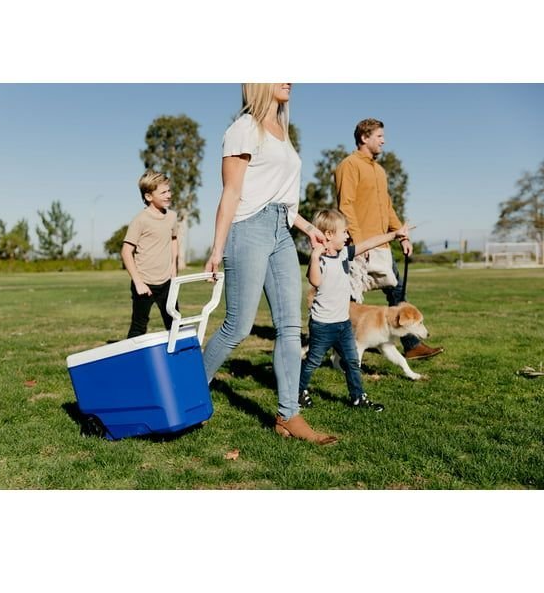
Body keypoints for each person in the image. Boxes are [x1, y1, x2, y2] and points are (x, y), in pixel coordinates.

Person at [203, 83, 337, 445]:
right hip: (248, 229)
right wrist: (217, 249)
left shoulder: (283, 132)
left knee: (290, 326)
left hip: (281, 231)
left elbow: (282, 198)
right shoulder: (243, 129)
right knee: (238, 326)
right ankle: (191, 389)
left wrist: (309, 229)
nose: (289, 80)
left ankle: (288, 415)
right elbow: (231, 193)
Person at [334, 118, 444, 360]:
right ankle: (340, 348)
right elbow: (346, 206)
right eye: (379, 136)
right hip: (358, 247)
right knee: (347, 302)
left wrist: (401, 234)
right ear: (364, 138)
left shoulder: (379, 171)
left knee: (397, 294)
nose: (384, 141)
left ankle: (412, 345)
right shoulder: (349, 165)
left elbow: (387, 207)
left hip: (382, 245)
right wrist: (359, 243)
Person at [299, 209, 410, 411]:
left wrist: (395, 235)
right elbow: (315, 281)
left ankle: (358, 398)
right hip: (323, 325)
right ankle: (299, 391)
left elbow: (369, 243)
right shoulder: (320, 260)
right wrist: (314, 256)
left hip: (343, 324)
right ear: (329, 234)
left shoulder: (344, 254)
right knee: (313, 360)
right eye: (344, 232)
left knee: (352, 361)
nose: (347, 235)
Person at [121, 169, 178, 338]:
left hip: (167, 282)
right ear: (148, 196)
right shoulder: (140, 220)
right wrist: (138, 282)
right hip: (144, 283)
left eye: (169, 191)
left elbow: (174, 239)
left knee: (175, 323)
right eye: (163, 192)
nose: (169, 195)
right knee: (138, 328)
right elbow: (126, 252)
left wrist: (173, 268)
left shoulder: (172, 216)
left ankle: (180, 354)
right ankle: (132, 354)